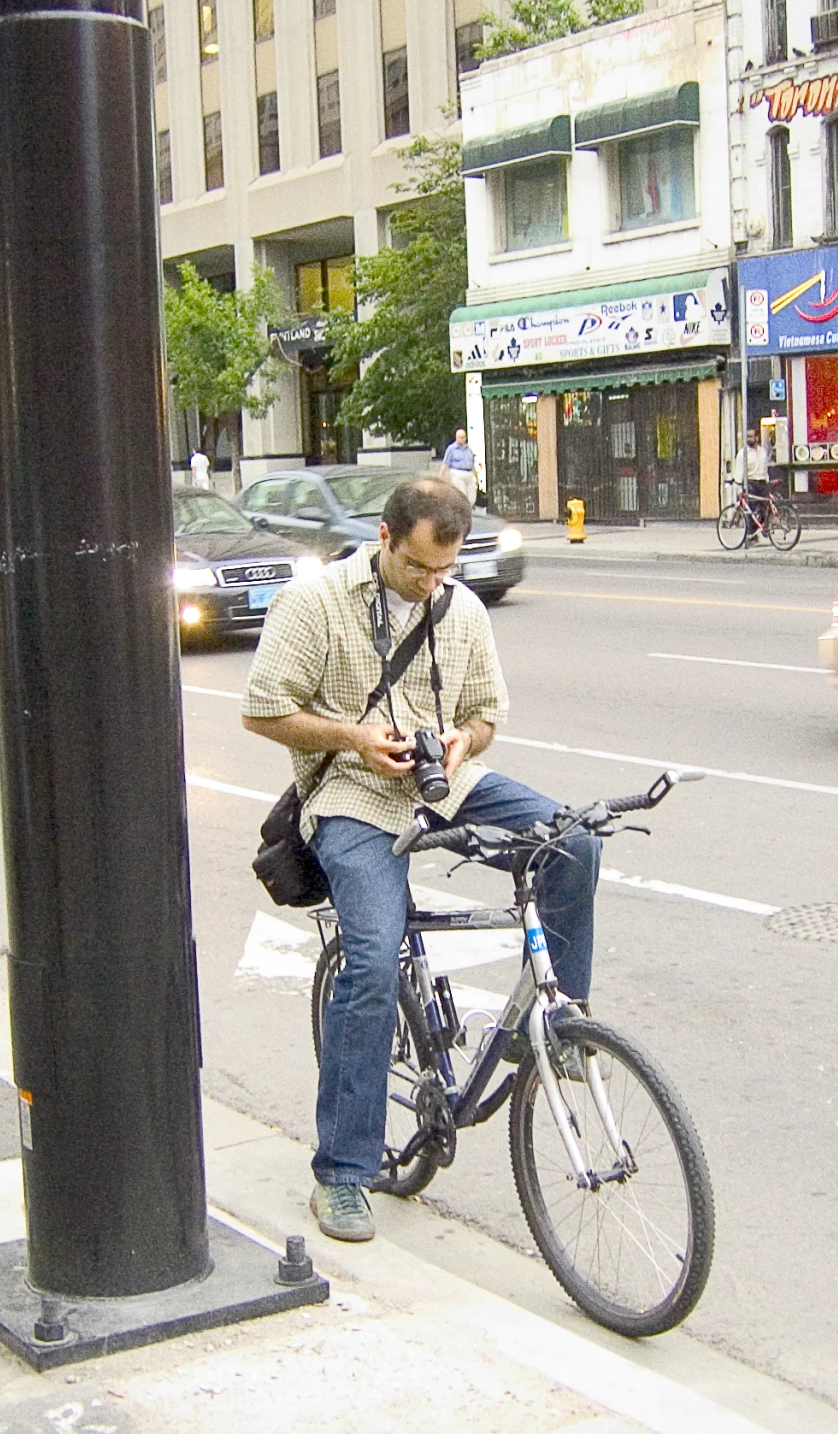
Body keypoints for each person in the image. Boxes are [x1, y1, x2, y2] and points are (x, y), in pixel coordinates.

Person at [242, 477, 600, 1244]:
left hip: (449, 780)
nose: (431, 584)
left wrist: (461, 742)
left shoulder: (460, 608)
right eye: (416, 568)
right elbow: (262, 708)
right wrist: (356, 738)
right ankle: (342, 1172)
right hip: (351, 792)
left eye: (445, 569)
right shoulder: (316, 603)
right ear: (383, 537)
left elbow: (484, 715)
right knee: (371, 962)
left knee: (574, 842)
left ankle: (565, 1024)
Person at [439, 428, 477, 503]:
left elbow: (472, 464)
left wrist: (477, 477)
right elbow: (445, 463)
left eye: (464, 437)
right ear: (457, 437)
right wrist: (440, 478)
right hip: (457, 473)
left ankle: (468, 511)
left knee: (472, 499)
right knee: (462, 495)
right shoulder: (451, 449)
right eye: (461, 437)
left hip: (469, 474)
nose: (463, 439)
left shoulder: (468, 449)